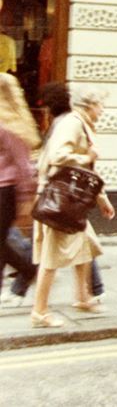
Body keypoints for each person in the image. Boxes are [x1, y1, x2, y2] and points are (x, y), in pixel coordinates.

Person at [31, 86, 115, 328]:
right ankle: (39, 312)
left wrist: (102, 198)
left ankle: (82, 297)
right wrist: (86, 157)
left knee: (85, 244)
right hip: (59, 202)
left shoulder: (80, 123)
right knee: (52, 255)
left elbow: (86, 173)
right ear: (89, 105)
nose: (102, 110)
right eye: (101, 105)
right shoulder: (73, 124)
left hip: (69, 200)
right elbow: (59, 156)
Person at [0, 73, 40, 307]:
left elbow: (24, 166)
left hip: (6, 190)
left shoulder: (11, 126)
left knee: (1, 241)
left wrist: (26, 198)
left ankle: (29, 267)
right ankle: (28, 267)